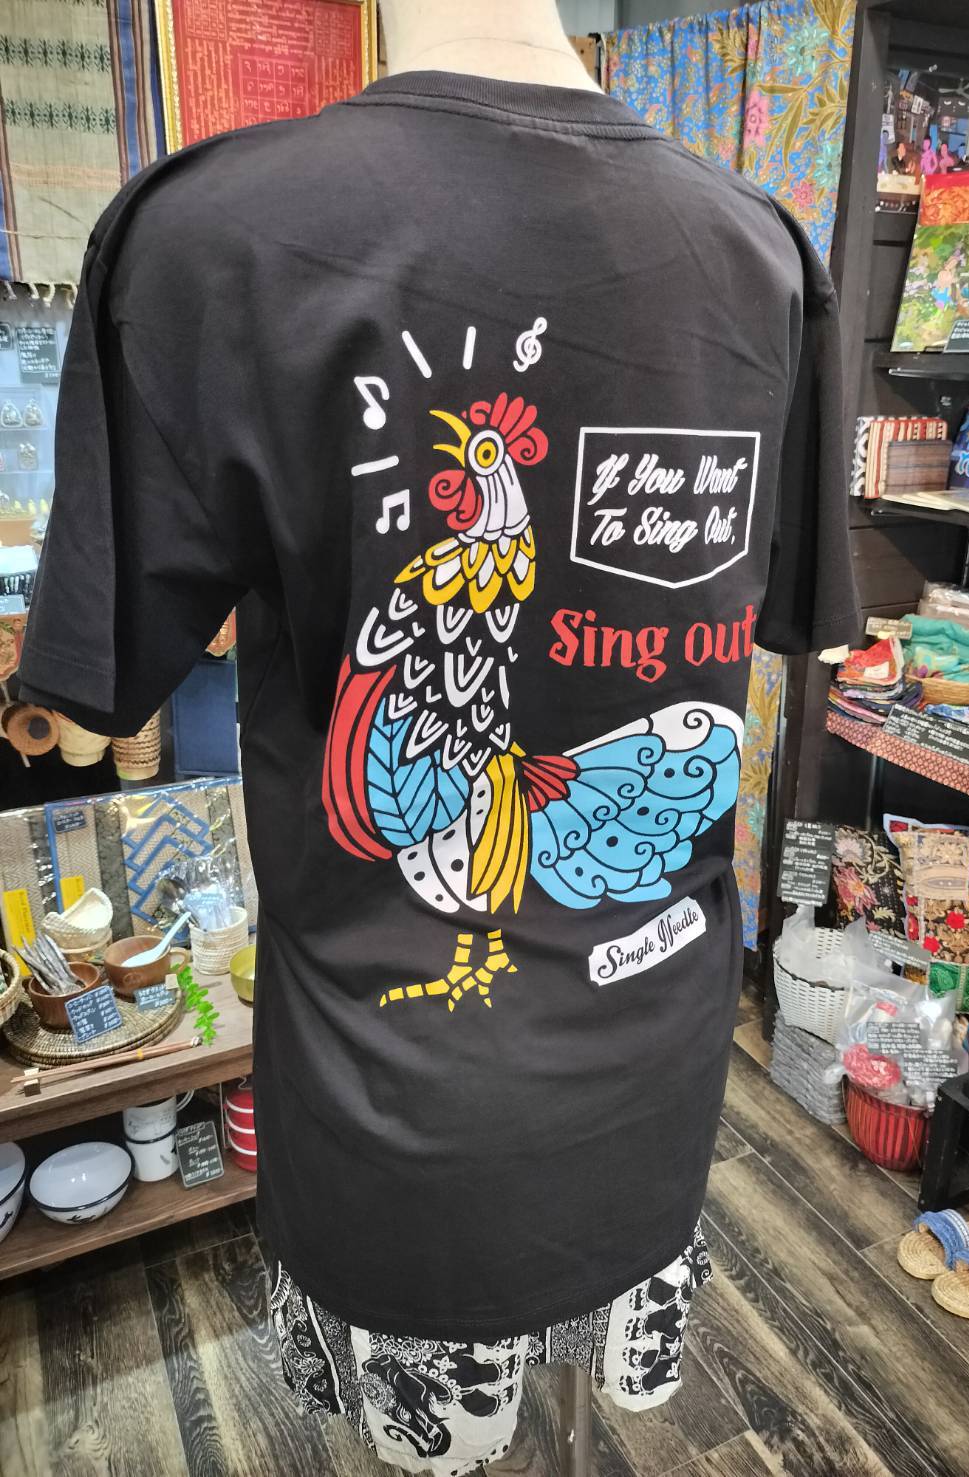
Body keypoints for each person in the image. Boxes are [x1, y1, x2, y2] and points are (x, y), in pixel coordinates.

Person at [17, 1, 859, 1471]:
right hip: (618, 1059)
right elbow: (803, 627)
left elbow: (89, 697)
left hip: (404, 1077)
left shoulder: (208, 235)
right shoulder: (763, 249)